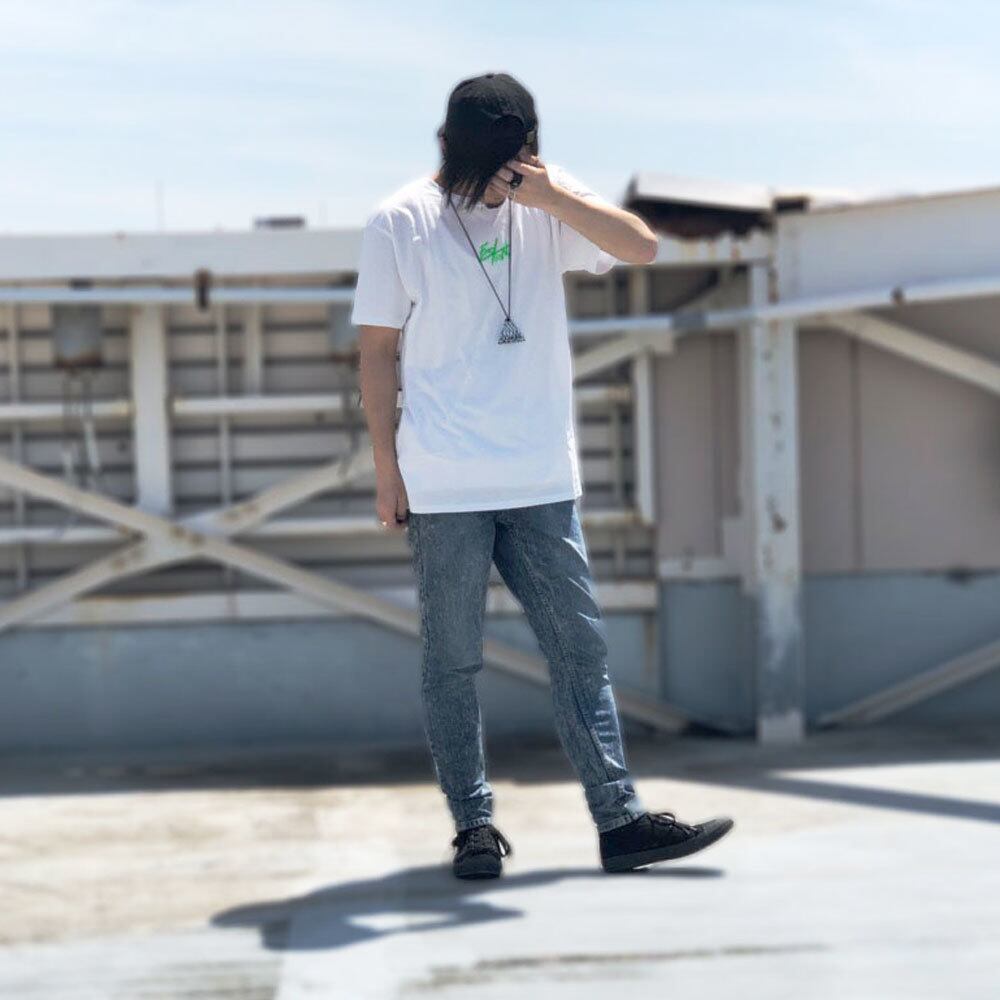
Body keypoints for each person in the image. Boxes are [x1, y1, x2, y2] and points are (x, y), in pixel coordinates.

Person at [351, 71, 734, 879]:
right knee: (453, 662)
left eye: (511, 164)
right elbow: (377, 352)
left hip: (541, 481)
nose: (497, 184)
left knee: (579, 652)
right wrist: (386, 468)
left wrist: (553, 199)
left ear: (527, 151)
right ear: (450, 147)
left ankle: (620, 823)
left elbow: (640, 246)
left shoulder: (545, 201)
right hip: (444, 484)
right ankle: (473, 828)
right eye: (485, 167)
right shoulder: (400, 221)